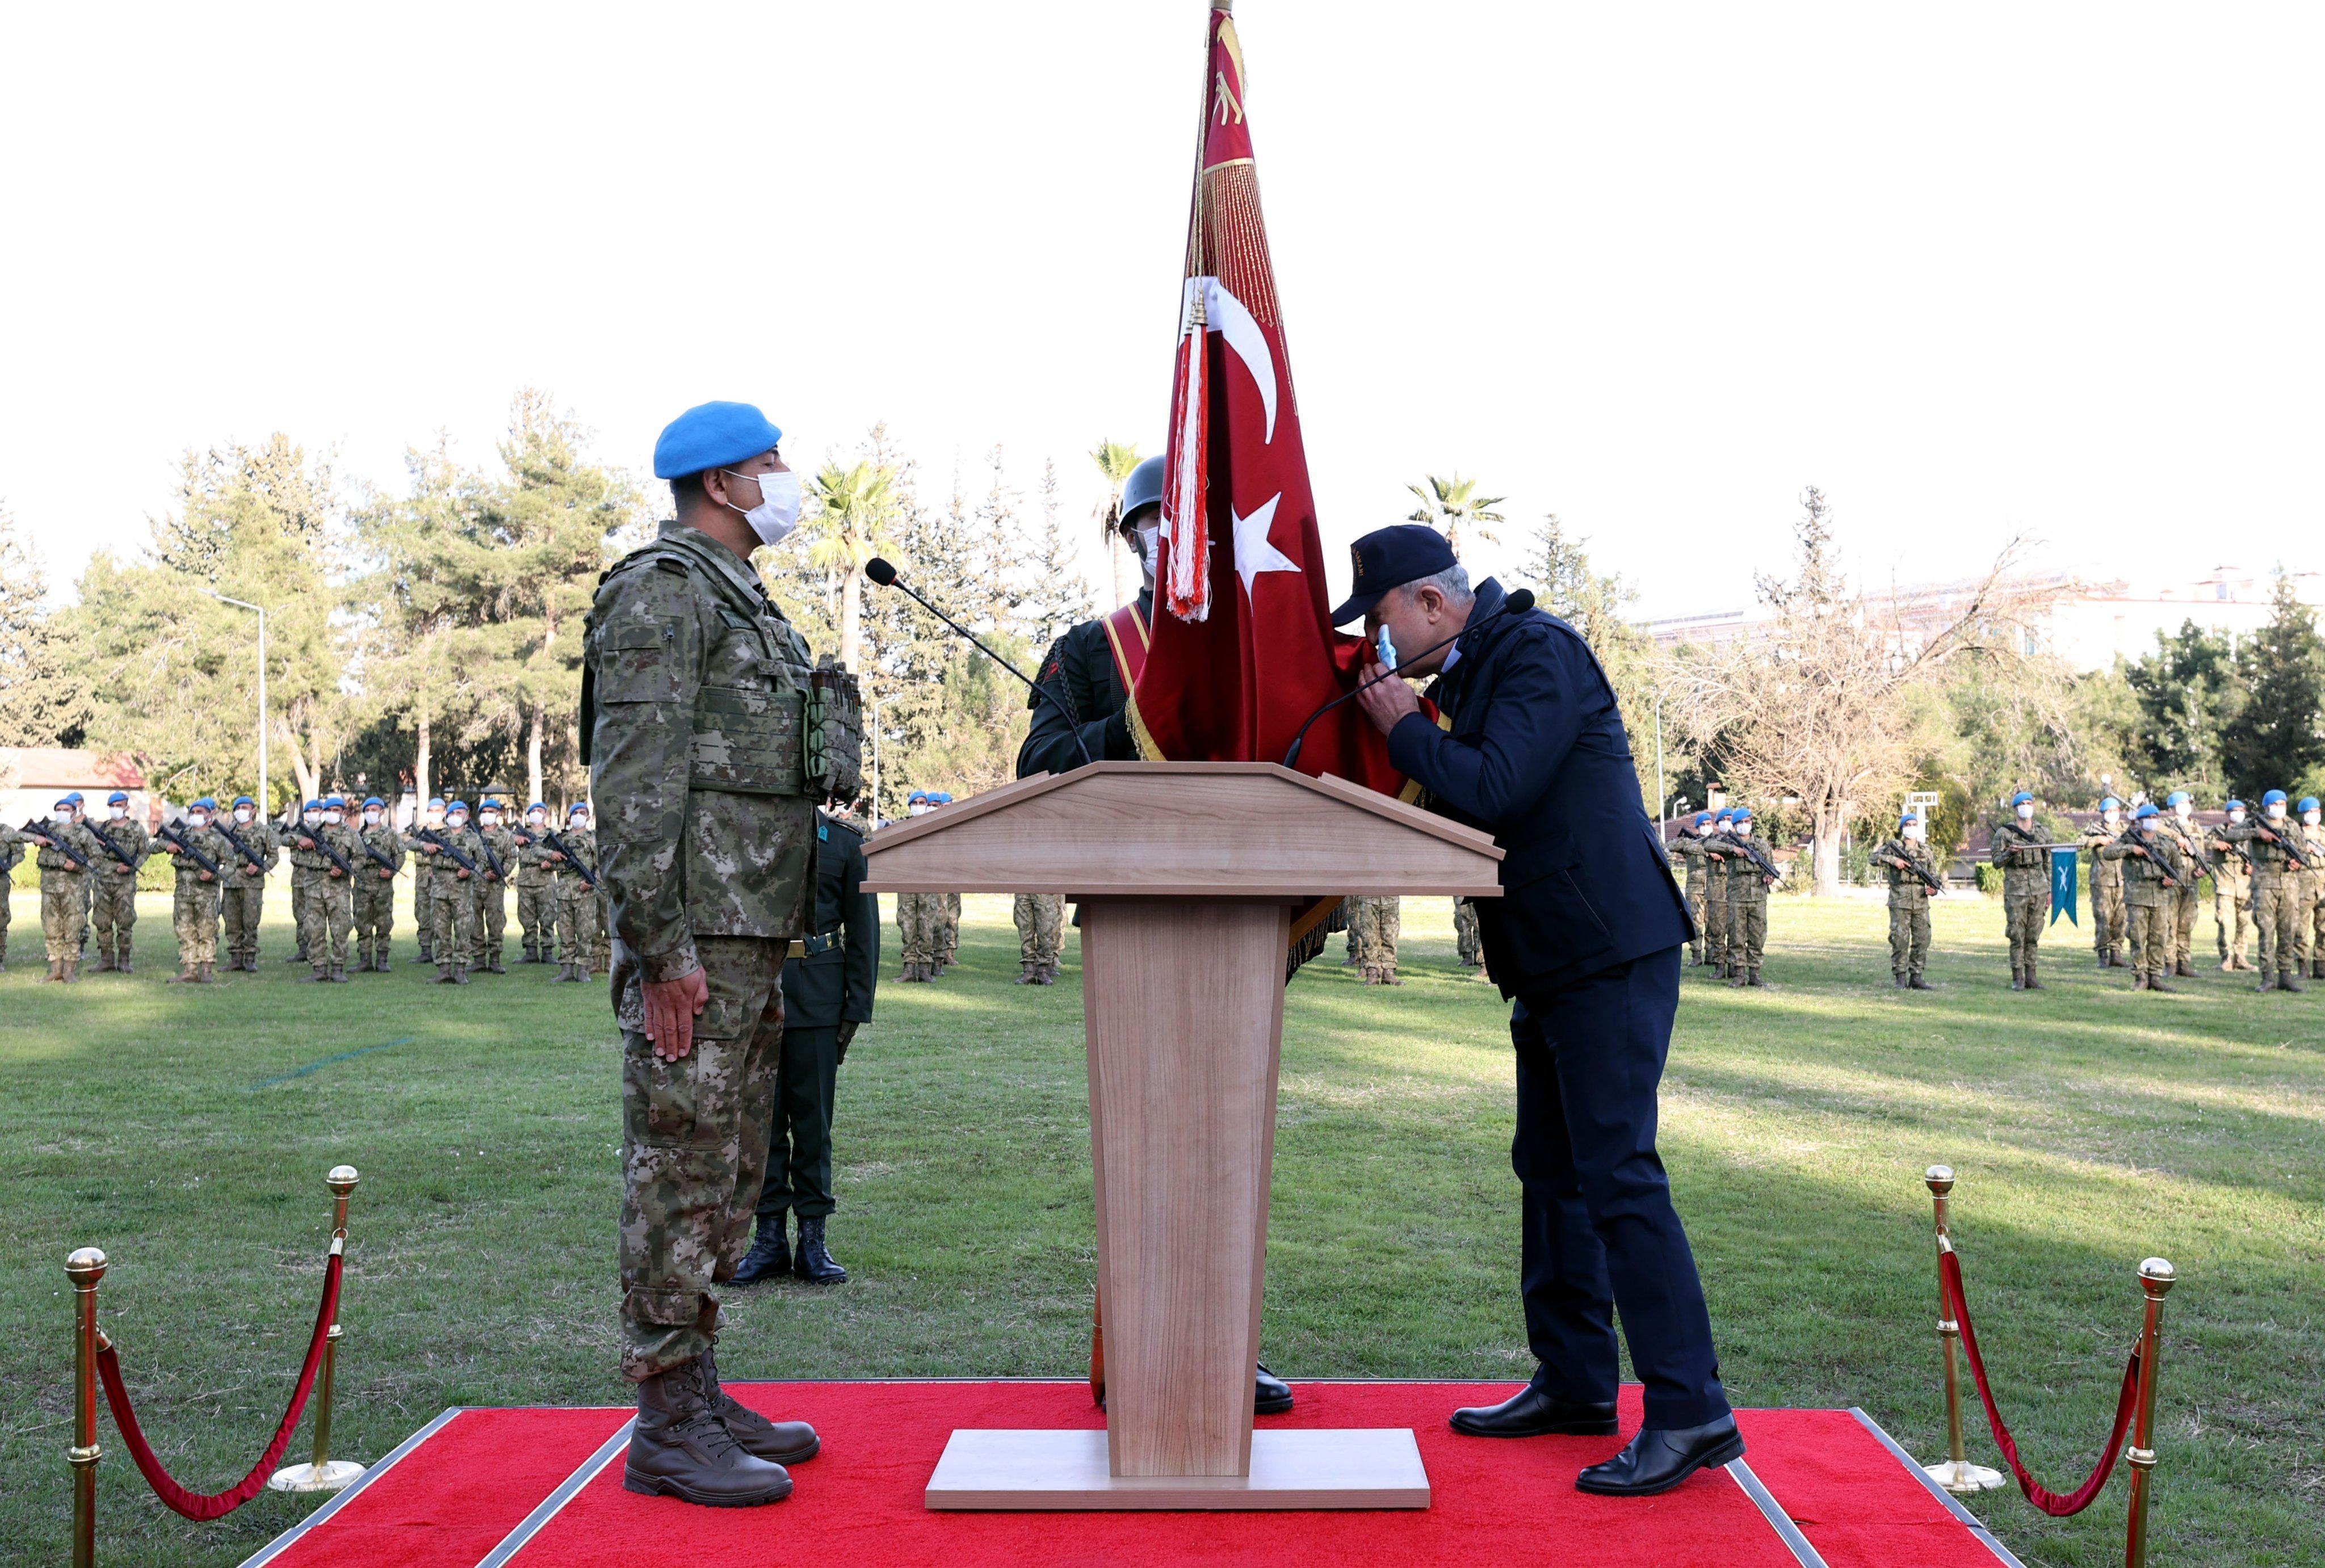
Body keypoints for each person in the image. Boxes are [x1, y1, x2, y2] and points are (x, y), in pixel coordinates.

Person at [1345, 524, 1733, 1496]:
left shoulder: (1536, 651)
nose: (1381, 648)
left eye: (1383, 622)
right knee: (1552, 1171)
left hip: (1608, 950)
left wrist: (1401, 725)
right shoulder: (1474, 674)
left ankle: (1690, 1411)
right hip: (1551, 957)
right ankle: (1574, 1381)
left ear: (1432, 603)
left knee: (1618, 1175)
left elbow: (1491, 784)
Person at [1009, 450, 1294, 1422]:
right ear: (1130, 541)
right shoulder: (1092, 649)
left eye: (1182, 524)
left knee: (1229, 1150)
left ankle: (1226, 1349)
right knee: (1146, 1148)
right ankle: (1131, 1348)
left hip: (1251, 918)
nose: (1165, 541)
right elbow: (1040, 761)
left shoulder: (1263, 645)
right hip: (1134, 921)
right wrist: (1130, 724)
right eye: (1147, 528)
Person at [585, 400, 829, 1507]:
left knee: (726, 1171)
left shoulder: (744, 602)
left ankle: (698, 1381)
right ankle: (665, 1422)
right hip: (699, 938)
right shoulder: (660, 593)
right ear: (722, 484)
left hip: (750, 926)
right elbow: (635, 785)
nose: (787, 477)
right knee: (678, 1168)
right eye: (770, 462)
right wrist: (660, 948)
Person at [734, 797, 879, 1287]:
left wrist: (855, 1010)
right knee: (764, 1127)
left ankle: (812, 1243)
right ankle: (769, 1239)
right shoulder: (751, 841)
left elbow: (864, 934)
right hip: (759, 997)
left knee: (813, 1127)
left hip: (819, 1001)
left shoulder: (844, 844)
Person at [2224, 789, 2307, 993]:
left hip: (2289, 884)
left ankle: (2285, 976)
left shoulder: (2292, 825)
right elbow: (2230, 835)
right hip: (2264, 883)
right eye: (2275, 804)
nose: (2279, 808)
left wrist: (2298, 863)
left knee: (2288, 931)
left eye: (2282, 804)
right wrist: (2257, 833)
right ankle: (2267, 977)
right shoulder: (2255, 823)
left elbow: (2303, 851)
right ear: (2267, 806)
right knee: (2266, 931)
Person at [2105, 805, 2188, 992]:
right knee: (2137, 937)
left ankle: (2156, 976)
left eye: (2155, 817)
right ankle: (2141, 976)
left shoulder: (2166, 843)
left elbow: (2179, 867)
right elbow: (2108, 853)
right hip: (2137, 895)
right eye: (2148, 817)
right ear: (2140, 821)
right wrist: (2131, 849)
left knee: (2159, 938)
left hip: (2160, 895)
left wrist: (2172, 880)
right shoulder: (2129, 839)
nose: (2152, 820)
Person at [28, 794, 98, 983]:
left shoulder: (83, 833)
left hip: (73, 889)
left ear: (74, 812)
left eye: (66, 810)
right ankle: (56, 970)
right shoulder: (47, 830)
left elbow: (97, 858)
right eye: (58, 810)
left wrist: (77, 867)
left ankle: (69, 972)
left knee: (73, 929)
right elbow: (26, 839)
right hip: (49, 888)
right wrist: (37, 839)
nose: (62, 813)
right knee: (52, 928)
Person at [162, 798, 230, 983]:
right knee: (184, 930)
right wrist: (168, 847)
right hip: (183, 892)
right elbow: (154, 846)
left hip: (206, 894)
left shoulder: (217, 839)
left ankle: (207, 971)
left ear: (209, 815)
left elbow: (231, 865)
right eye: (193, 812)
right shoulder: (182, 835)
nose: (196, 816)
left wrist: (215, 875)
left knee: (207, 930)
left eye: (200, 812)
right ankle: (190, 969)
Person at [1872, 812, 1941, 987]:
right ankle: (1900, 977)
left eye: (1914, 824)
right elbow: (1873, 858)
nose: (1911, 827)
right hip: (1900, 900)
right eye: (1908, 824)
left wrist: (1934, 890)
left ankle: (1916, 977)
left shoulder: (1926, 850)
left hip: (1920, 901)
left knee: (1923, 938)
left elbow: (1934, 875)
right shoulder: (1895, 846)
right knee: (1900, 939)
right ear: (1902, 828)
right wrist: (1893, 860)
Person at [1991, 792, 2050, 990]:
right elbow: (1996, 862)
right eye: (2022, 804)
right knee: (2017, 935)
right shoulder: (2005, 833)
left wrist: (2049, 890)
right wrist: (2009, 853)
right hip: (2016, 891)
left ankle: (2031, 976)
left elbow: (2048, 864)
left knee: (2033, 935)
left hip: (2039, 890)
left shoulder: (2043, 833)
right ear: (2015, 808)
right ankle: (2018, 978)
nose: (2026, 806)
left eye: (2029, 803)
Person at [85, 790, 149, 973]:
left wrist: (131, 867)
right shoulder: (102, 829)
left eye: (119, 806)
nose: (115, 809)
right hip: (103, 880)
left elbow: (145, 852)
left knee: (125, 921)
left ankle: (124, 960)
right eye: (112, 806)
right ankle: (106, 960)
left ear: (126, 807)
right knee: (102, 921)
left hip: (125, 882)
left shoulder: (136, 829)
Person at [299, 796, 360, 983]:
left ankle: (338, 968)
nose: (333, 814)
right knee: (314, 928)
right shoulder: (313, 829)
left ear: (342, 813)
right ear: (324, 811)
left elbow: (361, 858)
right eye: (330, 810)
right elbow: (286, 837)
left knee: (341, 928)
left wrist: (344, 870)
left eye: (337, 810)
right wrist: (301, 840)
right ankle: (319, 969)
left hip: (338, 889)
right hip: (314, 887)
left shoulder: (350, 833)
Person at [217, 796, 277, 973]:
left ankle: (250, 958)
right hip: (231, 881)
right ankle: (236, 958)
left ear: (253, 811)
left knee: (250, 921)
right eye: (238, 808)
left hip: (253, 882)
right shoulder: (229, 831)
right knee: (231, 921)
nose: (241, 811)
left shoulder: (264, 831)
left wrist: (260, 868)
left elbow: (274, 856)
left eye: (245, 807)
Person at [1714, 809, 1774, 987]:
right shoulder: (1728, 842)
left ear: (1752, 823)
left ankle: (1755, 975)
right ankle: (1739, 975)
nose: (1744, 825)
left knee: (1758, 936)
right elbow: (1709, 846)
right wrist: (1734, 849)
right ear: (1735, 825)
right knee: (1737, 936)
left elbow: (1768, 867)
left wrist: (1768, 877)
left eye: (1747, 821)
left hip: (1758, 897)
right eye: (1740, 822)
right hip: (1737, 897)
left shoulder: (1762, 846)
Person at [426, 801, 484, 985]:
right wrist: (424, 846)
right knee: (440, 931)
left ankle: (460, 970)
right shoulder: (438, 836)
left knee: (463, 931)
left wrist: (470, 871)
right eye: (453, 813)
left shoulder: (473, 838)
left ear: (467, 817)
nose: (456, 817)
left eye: (460, 813)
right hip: (439, 891)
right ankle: (443, 970)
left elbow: (482, 863)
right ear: (447, 816)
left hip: (462, 893)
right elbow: (411, 843)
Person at [895, 790, 945, 982]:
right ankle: (909, 969)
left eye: (922, 802)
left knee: (927, 924)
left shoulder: (934, 828)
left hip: (927, 882)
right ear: (909, 806)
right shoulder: (901, 827)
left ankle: (925, 968)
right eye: (914, 802)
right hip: (905, 882)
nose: (918, 805)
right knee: (907, 925)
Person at [549, 802, 599, 982]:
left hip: (584, 892)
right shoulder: (560, 839)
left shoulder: (593, 839)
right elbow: (537, 849)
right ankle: (566, 969)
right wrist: (551, 856)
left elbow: (600, 865)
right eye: (575, 813)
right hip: (563, 892)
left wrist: (591, 883)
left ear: (587, 817)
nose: (578, 816)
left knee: (585, 931)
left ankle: (584, 970)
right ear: (570, 817)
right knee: (565, 931)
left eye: (582, 813)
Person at [354, 797, 404, 972]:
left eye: (375, 810)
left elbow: (400, 855)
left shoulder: (390, 834)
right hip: (362, 884)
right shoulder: (357, 835)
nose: (371, 814)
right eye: (368, 810)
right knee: (362, 922)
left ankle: (382, 960)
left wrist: (392, 871)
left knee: (384, 922)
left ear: (382, 812)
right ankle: (365, 959)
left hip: (383, 885)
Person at [2161, 791, 2206, 980]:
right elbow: (2155, 830)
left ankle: (2183, 962)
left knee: (2187, 924)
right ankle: (2170, 963)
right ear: (2172, 807)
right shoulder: (2164, 825)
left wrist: (2202, 868)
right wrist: (2176, 838)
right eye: (2181, 803)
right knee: (2169, 923)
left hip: (2191, 881)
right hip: (2172, 879)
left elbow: (2202, 854)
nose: (2185, 806)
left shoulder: (2196, 827)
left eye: (2187, 802)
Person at [2081, 797, 2130, 970]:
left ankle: (2116, 953)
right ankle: (2103, 954)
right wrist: (2097, 840)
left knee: (2121, 919)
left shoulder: (2125, 829)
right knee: (2103, 918)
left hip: (2123, 880)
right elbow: (2079, 843)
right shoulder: (2095, 829)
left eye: (2115, 810)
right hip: (2102, 881)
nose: (2112, 814)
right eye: (2109, 811)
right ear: (2103, 813)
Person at [402, 797, 448, 966]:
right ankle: (425, 951)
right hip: (422, 876)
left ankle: (441, 950)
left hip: (441, 876)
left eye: (439, 811)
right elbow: (408, 842)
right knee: (422, 913)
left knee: (440, 914)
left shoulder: (449, 831)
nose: (435, 814)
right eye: (432, 811)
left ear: (445, 812)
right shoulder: (422, 830)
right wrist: (423, 844)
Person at [472, 798, 516, 974]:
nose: (488, 815)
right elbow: (468, 858)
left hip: (495, 888)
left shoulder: (505, 835)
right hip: (475, 885)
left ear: (498, 814)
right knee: (474, 924)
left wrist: (500, 873)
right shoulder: (474, 835)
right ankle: (479, 960)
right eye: (485, 812)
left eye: (492, 811)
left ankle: (495, 960)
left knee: (496, 924)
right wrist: (480, 872)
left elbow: (512, 858)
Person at [2210, 799, 2252, 971]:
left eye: (2241, 810)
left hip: (2245, 886)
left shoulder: (2249, 834)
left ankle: (2241, 957)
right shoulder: (2218, 831)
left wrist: (2254, 867)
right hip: (2225, 886)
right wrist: (2216, 844)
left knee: (2244, 923)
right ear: (2227, 814)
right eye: (2234, 811)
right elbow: (2200, 841)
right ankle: (2226, 958)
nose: (2238, 813)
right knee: (2225, 923)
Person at [514, 804, 559, 963]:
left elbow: (562, 857)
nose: (536, 814)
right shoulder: (520, 833)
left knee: (548, 917)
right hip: (526, 881)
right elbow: (503, 840)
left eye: (540, 811)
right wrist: (514, 838)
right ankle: (530, 952)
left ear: (545, 814)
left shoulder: (553, 835)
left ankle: (547, 953)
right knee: (527, 918)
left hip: (545, 881)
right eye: (533, 811)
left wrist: (551, 865)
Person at [1667, 812, 1713, 966]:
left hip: (1713, 888)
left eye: (1709, 824)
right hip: (1695, 889)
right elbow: (1671, 845)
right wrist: (1693, 846)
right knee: (1696, 922)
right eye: (1703, 825)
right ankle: (1696, 956)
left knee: (1713, 923)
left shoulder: (1716, 842)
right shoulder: (1690, 843)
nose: (1707, 827)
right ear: (1698, 827)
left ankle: (1712, 955)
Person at [286, 800, 325, 965]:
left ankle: (316, 950)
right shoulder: (299, 831)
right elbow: (284, 838)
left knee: (314, 916)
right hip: (299, 878)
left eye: (316, 810)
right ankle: (303, 949)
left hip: (316, 879)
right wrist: (298, 841)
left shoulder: (324, 831)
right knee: (299, 914)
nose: (313, 813)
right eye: (310, 811)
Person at [1700, 809, 1734, 977]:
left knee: (1736, 933)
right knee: (1717, 932)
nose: (1728, 822)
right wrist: (1710, 852)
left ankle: (1735, 967)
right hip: (1716, 893)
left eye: (1730, 819)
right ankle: (1719, 967)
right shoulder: (1711, 840)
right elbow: (1700, 845)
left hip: (1735, 893)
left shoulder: (1737, 842)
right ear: (1719, 822)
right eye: (1725, 819)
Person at [1013, 891, 1064, 985]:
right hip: (1023, 884)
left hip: (1044, 887)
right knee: (1025, 928)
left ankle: (1043, 970)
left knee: (1046, 930)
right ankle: (1029, 970)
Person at [1352, 894, 1403, 984]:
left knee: (1390, 936)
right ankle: (1372, 974)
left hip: (1390, 897)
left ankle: (1389, 973)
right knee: (1369, 938)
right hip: (1368, 896)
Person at [0, 821, 23, 971]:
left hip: (1, 882)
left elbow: (20, 853)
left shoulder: (8, 832)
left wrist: (5, 866)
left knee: (1, 919)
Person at [1453, 896, 1488, 977]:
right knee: (1461, 920)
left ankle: (1484, 963)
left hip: (1481, 886)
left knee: (1480, 921)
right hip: (1461, 886)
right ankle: (1467, 957)